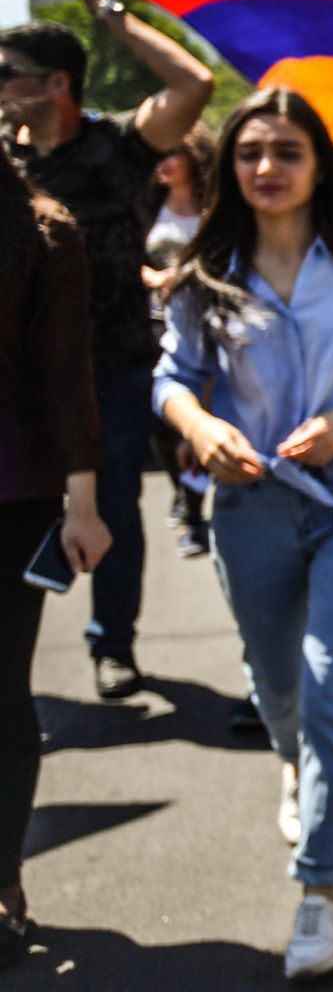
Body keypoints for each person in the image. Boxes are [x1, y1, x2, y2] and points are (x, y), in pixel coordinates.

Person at [155, 88, 333, 980]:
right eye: (249, 153)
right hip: (250, 500)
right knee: (278, 695)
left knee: (330, 687)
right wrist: (201, 430)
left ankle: (320, 890)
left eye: (287, 151)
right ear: (228, 167)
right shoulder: (210, 268)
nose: (266, 168)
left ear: (320, 164)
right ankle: (296, 765)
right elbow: (172, 379)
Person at [1, 0, 215, 700]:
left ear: (56, 82)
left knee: (112, 507)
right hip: (21, 373)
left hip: (112, 362)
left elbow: (193, 85)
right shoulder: (8, 162)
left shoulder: (120, 144)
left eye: (10, 75)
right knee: (22, 506)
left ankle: (111, 644)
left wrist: (109, 13)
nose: (0, 87)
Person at [0, 151, 112, 968]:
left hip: (12, 496)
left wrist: (83, 503)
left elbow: (65, 371)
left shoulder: (43, 231)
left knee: (1, 695)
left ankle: (1, 877)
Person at [144, 126, 216, 558]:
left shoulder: (216, 207)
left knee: (202, 416)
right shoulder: (146, 202)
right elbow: (123, 254)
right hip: (153, 326)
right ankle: (183, 491)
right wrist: (152, 278)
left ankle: (194, 510)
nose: (164, 163)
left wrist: (190, 277)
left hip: (206, 325)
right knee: (163, 424)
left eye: (173, 153)